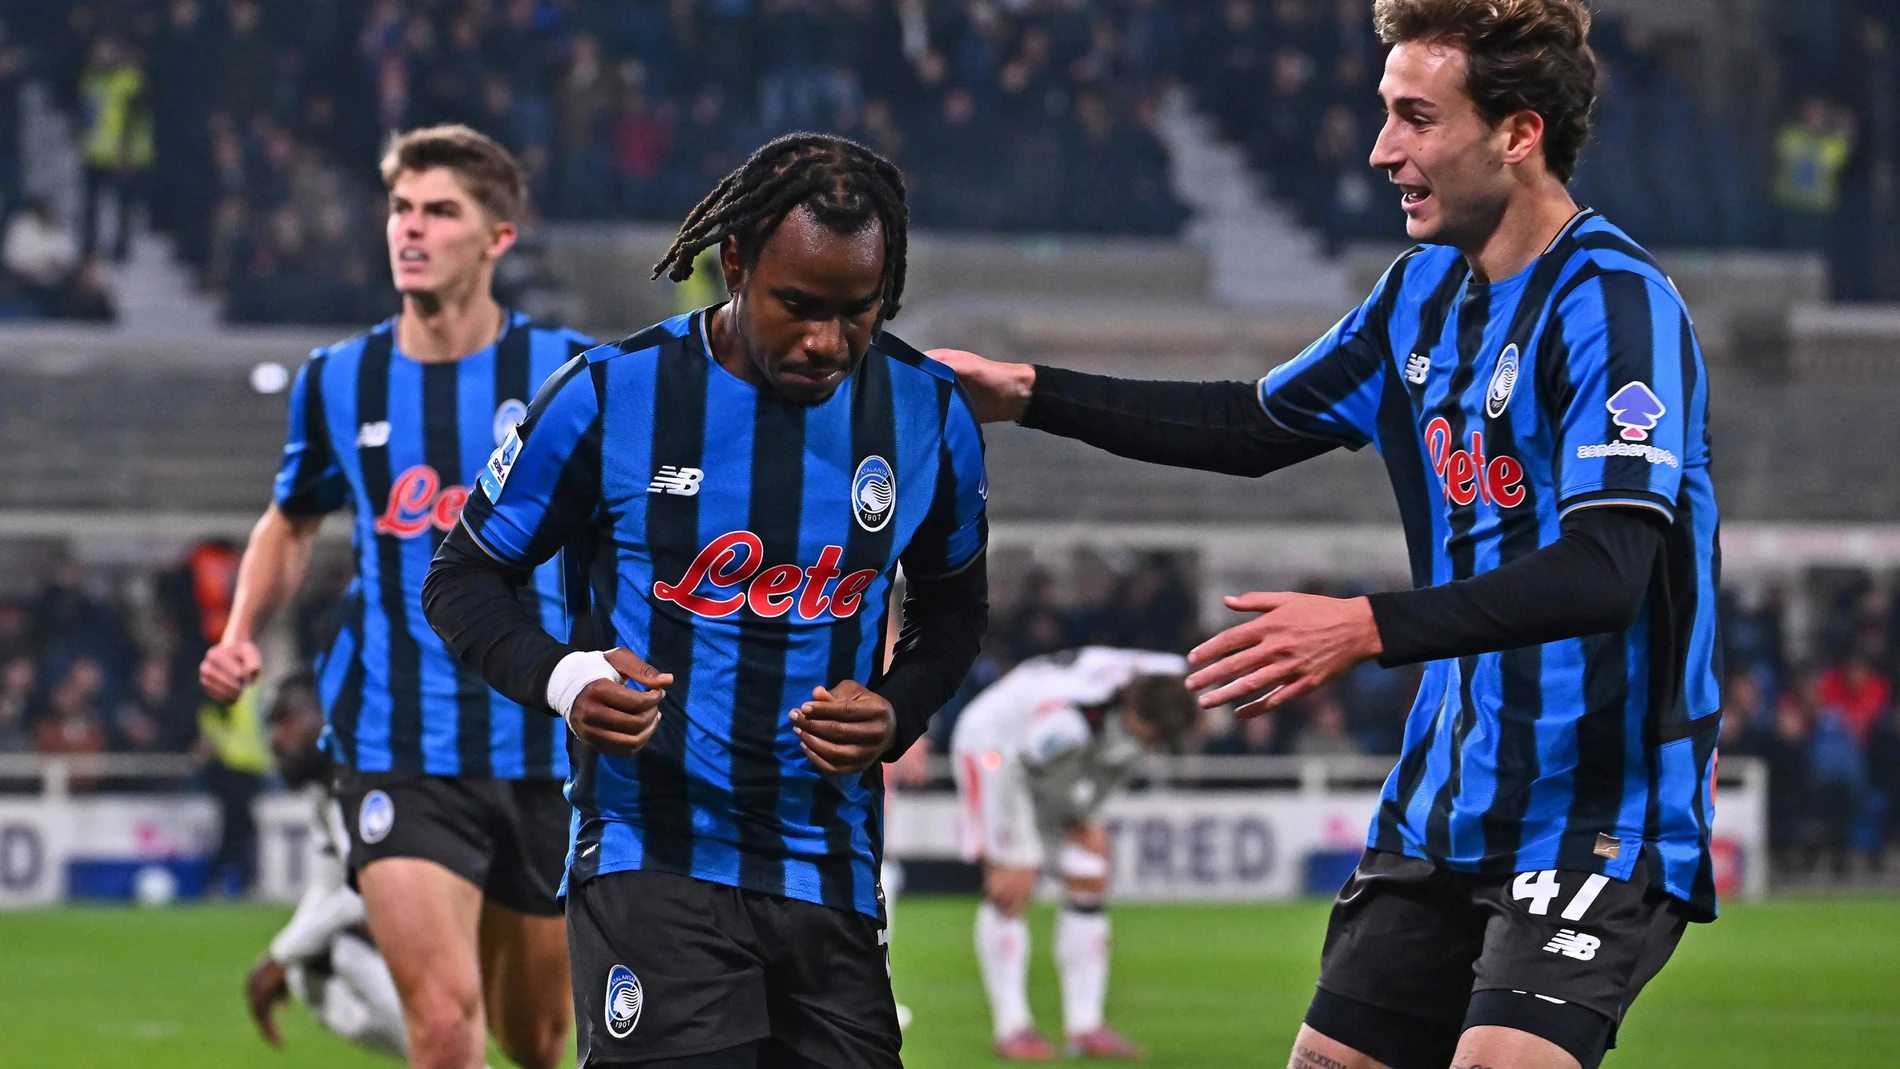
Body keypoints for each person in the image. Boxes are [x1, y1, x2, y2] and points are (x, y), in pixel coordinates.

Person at [934, 2, 1720, 1068]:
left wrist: (1363, 625)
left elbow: (1608, 569)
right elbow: (1253, 424)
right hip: (1445, 800)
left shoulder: (1616, 307)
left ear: (1517, 132)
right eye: (1384, 113)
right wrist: (1026, 393)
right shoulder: (1419, 293)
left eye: (1415, 117)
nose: (1380, 149)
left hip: (1595, 810)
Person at [424, 132, 989, 1069]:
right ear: (733, 263)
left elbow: (955, 608)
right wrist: (565, 679)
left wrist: (898, 706)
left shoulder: (926, 411)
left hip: (830, 871)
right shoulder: (610, 395)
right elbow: (463, 576)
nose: (827, 341)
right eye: (798, 306)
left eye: (859, 311)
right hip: (653, 854)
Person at [198, 124, 593, 1069]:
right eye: (400, 209)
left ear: (498, 238)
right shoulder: (341, 379)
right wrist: (242, 626)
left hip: (544, 745)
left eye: (440, 211)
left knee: (537, 1038)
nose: (410, 230)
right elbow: (289, 520)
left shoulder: (574, 375)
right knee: (445, 1021)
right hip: (396, 744)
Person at [949, 647, 1196, 1060]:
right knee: (1011, 881)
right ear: (1134, 712)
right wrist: (1021, 853)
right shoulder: (1067, 724)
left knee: (1089, 870)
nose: (1149, 747)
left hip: (1047, 762)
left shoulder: (1163, 681)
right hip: (993, 750)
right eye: (1149, 737)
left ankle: (1085, 1027)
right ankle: (1012, 1027)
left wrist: (1087, 817)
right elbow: (1017, 767)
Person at [245, 672, 407, 1061]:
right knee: (309, 968)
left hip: (486, 912)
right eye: (273, 725)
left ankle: (448, 1048)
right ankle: (441, 1051)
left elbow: (368, 892)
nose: (277, 739)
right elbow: (328, 885)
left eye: (288, 720)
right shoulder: (328, 787)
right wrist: (286, 954)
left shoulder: (367, 780)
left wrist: (278, 957)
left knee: (342, 952)